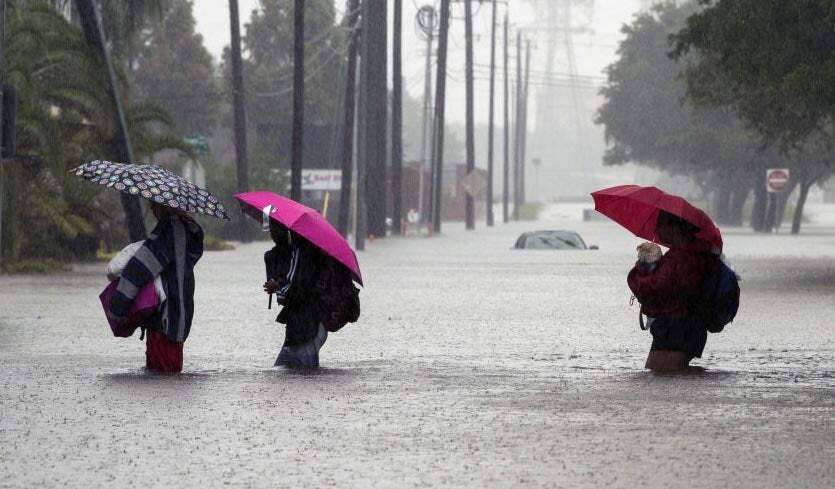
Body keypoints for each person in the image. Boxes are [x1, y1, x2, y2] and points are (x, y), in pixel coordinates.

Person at [109, 202, 204, 373]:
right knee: (171, 376)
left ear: (166, 205)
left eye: (154, 205)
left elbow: (139, 269)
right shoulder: (188, 231)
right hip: (180, 314)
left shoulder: (166, 231)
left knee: (161, 376)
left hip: (165, 317)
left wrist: (118, 306)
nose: (152, 210)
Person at [628, 211, 709, 372]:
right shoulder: (692, 254)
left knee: (661, 374)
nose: (657, 231)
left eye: (660, 225)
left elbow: (654, 287)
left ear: (673, 228)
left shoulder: (678, 258)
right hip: (684, 327)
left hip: (676, 328)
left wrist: (638, 270)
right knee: (665, 375)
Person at [263, 220, 328, 368]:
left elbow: (295, 289)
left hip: (308, 327)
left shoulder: (300, 253)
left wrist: (278, 287)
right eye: (271, 231)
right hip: (298, 328)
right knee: (291, 373)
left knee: (301, 372)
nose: (273, 234)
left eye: (276, 230)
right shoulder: (275, 256)